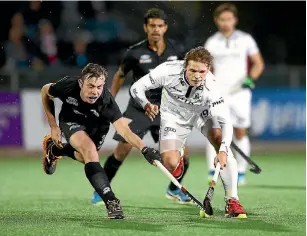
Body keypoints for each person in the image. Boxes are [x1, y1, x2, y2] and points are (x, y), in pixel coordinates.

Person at [130, 46, 247, 218]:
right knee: (170, 164)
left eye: (202, 71)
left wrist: (222, 150)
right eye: (192, 70)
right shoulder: (167, 71)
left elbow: (225, 122)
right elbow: (136, 88)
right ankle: (180, 151)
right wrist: (146, 104)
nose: (197, 76)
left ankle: (232, 200)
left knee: (219, 138)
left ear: (208, 69)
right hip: (173, 115)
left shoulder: (212, 87)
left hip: (202, 113)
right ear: (185, 66)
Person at [91, 8, 192, 205]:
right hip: (139, 108)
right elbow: (120, 75)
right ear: (146, 27)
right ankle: (102, 190)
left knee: (183, 154)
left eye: (160, 26)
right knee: (122, 149)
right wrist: (108, 100)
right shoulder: (134, 52)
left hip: (167, 110)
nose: (156, 29)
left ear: (165, 28)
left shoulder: (177, 50)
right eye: (152, 25)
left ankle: (174, 189)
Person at [41, 63, 161, 220]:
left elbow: (124, 131)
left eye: (99, 86)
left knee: (87, 158)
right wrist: (53, 125)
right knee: (89, 151)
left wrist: (144, 149)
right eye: (91, 86)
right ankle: (111, 201)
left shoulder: (107, 101)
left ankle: (56, 149)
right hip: (71, 119)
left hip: (98, 126)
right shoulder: (68, 85)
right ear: (80, 83)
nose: (95, 91)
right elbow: (45, 91)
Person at [204, 3, 265, 185]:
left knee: (239, 131)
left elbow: (258, 63)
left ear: (235, 20)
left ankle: (240, 172)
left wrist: (250, 79)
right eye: (222, 19)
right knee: (215, 132)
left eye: (229, 19)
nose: (225, 23)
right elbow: (207, 69)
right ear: (216, 21)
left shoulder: (246, 40)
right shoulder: (211, 42)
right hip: (219, 94)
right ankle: (212, 169)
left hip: (240, 94)